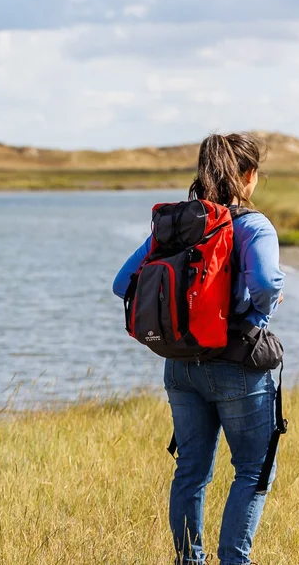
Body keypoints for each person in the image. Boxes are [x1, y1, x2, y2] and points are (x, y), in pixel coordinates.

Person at [112, 133, 286, 565]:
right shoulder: (253, 225)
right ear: (248, 176)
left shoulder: (178, 224)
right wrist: (266, 304)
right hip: (237, 368)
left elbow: (122, 284)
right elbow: (265, 283)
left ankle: (190, 561)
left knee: (191, 471)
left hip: (180, 367)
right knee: (252, 470)